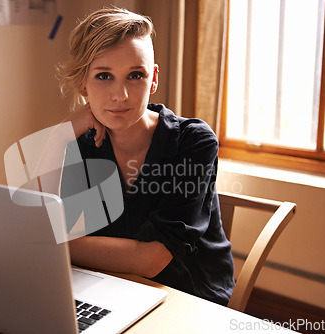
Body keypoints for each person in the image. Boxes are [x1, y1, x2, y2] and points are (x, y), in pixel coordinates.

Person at [54, 7, 235, 306]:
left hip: (188, 295)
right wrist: (59, 137)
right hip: (111, 285)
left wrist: (58, 244)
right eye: (103, 76)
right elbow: (39, 228)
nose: (120, 94)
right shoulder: (82, 143)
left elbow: (153, 260)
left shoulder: (193, 142)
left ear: (153, 79)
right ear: (82, 84)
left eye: (135, 75)